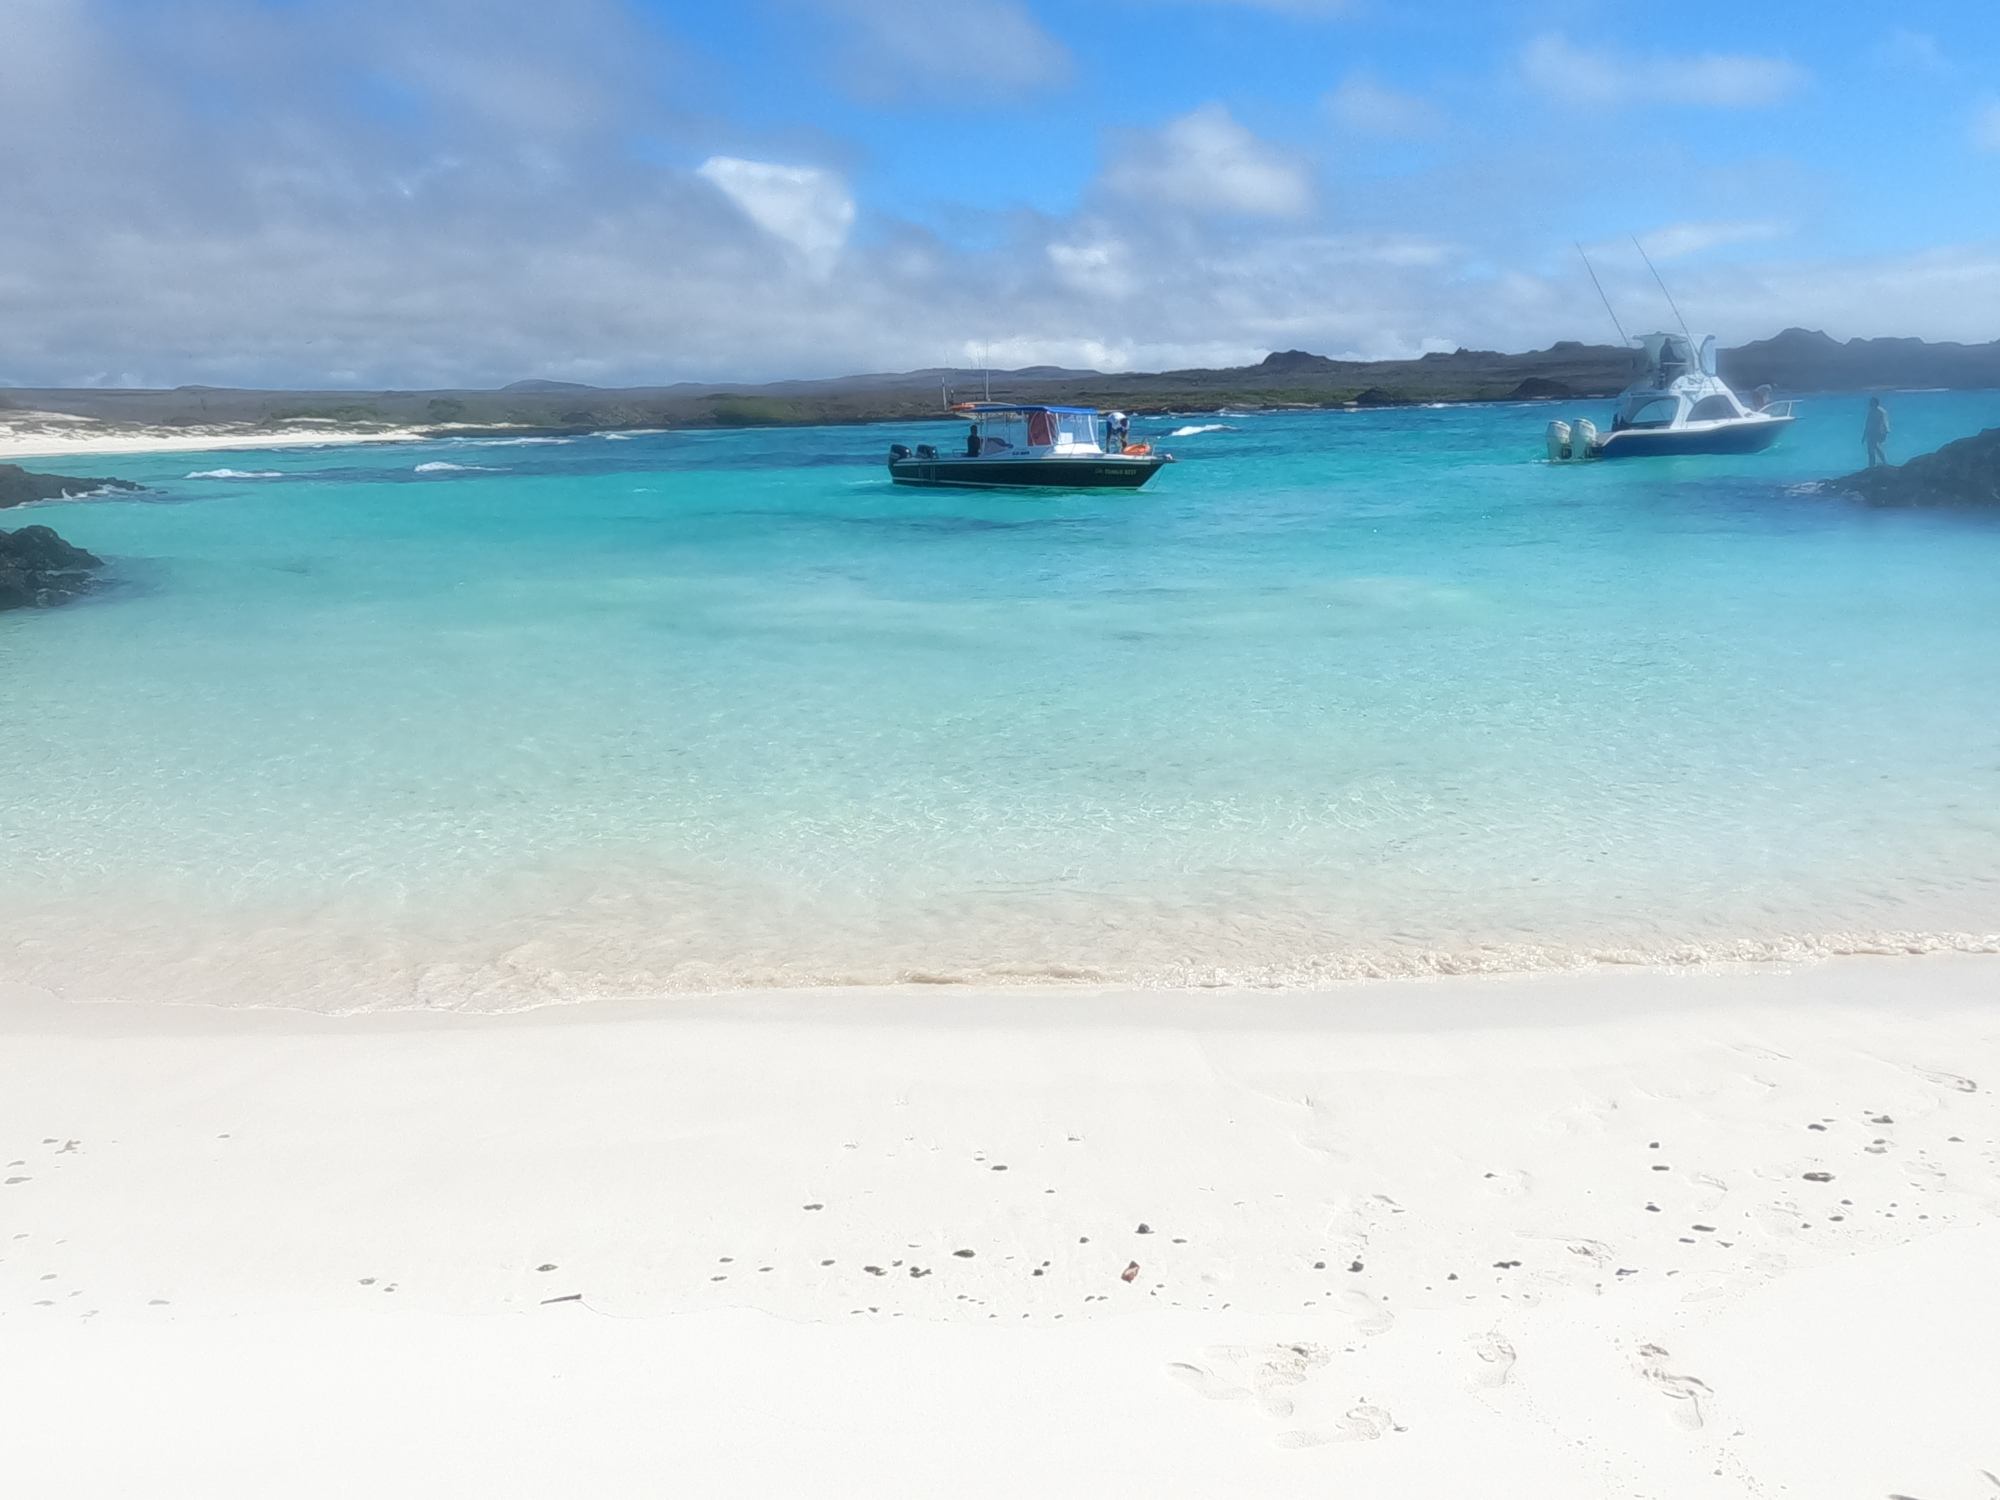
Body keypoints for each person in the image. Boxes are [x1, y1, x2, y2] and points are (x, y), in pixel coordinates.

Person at [1864, 396, 1891, 468]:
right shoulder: (1871, 411)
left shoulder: (1881, 411)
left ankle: (1884, 461)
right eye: (1870, 402)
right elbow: (1868, 423)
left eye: (1872, 402)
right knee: (1870, 449)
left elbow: (1885, 422)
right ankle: (1871, 465)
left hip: (1878, 432)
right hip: (1870, 433)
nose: (1870, 404)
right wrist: (1864, 435)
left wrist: (1885, 432)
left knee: (1877, 447)